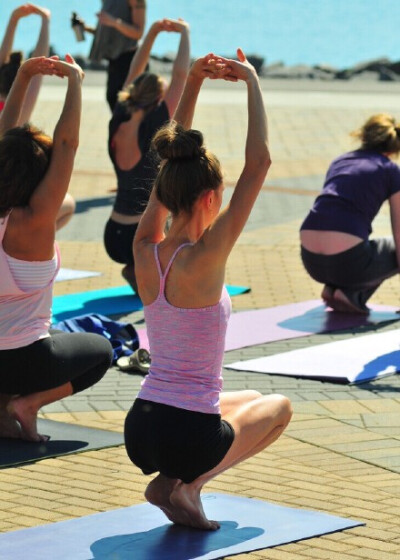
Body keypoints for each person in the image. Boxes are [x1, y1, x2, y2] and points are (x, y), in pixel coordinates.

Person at [124, 50, 293, 530]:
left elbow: (168, 161)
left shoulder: (144, 249)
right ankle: (187, 487)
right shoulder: (206, 256)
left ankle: (174, 480)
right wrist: (253, 81)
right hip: (186, 436)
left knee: (250, 396)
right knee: (278, 408)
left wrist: (193, 83)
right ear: (211, 197)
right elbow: (259, 163)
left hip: (142, 425)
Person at [0, 56, 114, 443]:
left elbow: (6, 138)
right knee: (102, 351)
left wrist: (25, 74)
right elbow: (67, 144)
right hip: (25, 361)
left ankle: (1, 411)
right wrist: (75, 82)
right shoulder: (35, 221)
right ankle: (26, 405)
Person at [104, 18, 190, 292]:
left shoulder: (118, 117)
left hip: (113, 234)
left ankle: (135, 268)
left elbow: (133, 71)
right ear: (157, 101)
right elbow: (181, 76)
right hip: (140, 237)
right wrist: (185, 33)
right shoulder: (158, 124)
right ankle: (145, 267)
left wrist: (151, 33)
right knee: (183, 220)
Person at [300, 113, 400, 314]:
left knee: (357, 252)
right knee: (390, 248)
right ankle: (353, 294)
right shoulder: (390, 170)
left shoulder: (340, 161)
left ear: (363, 136)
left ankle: (334, 289)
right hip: (347, 261)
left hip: (311, 260)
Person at [0, 3, 76, 230]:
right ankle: (35, 240)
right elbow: (39, 64)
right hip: (12, 186)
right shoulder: (21, 105)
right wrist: (46, 21)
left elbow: (4, 54)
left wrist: (13, 20)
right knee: (68, 205)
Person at [83, 0, 146, 111]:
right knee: (113, 99)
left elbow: (138, 33)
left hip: (130, 59)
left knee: (130, 105)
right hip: (114, 59)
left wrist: (114, 22)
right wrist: (85, 28)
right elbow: (110, 31)